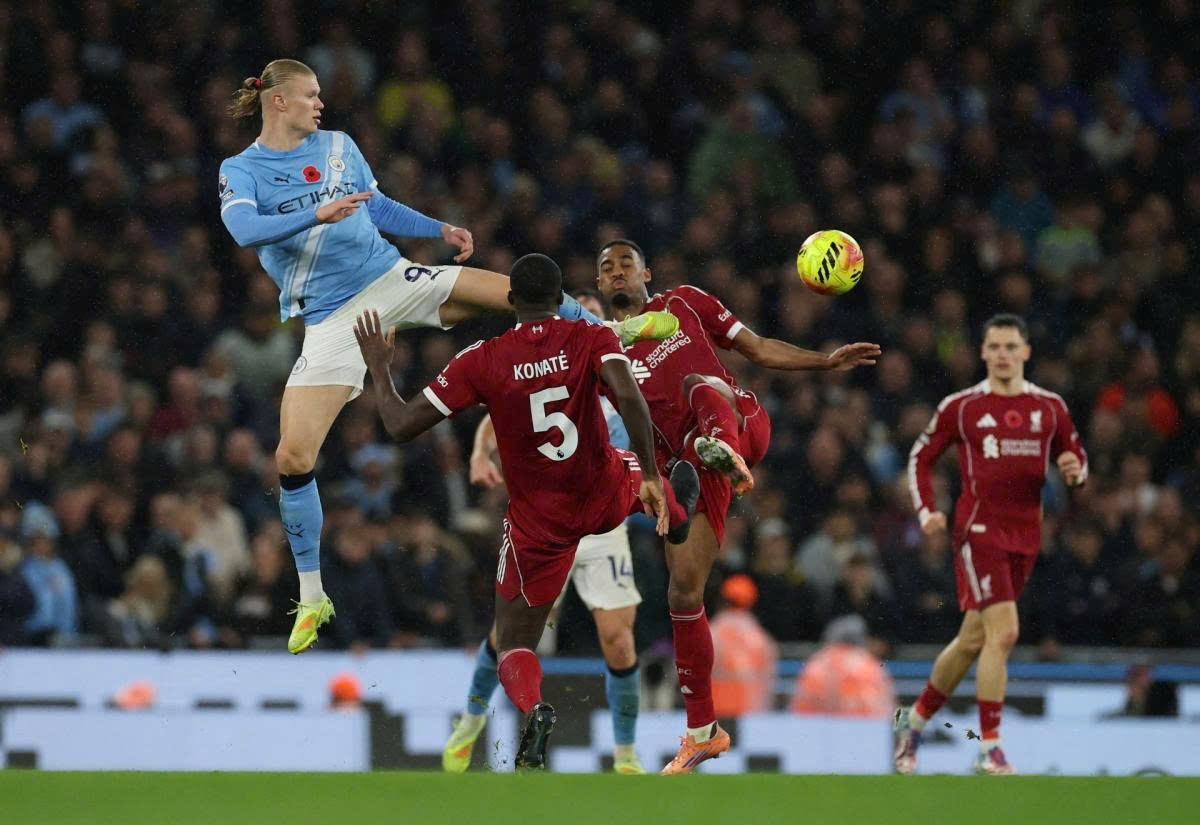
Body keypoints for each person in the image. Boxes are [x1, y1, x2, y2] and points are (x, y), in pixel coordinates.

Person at [217, 60, 679, 654]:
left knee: (519, 291)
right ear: (277, 101)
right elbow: (244, 232)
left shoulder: (337, 146)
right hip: (333, 316)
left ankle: (620, 326)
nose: (320, 103)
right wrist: (316, 213)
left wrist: (440, 228)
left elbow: (376, 207)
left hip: (390, 277)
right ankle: (312, 595)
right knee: (292, 454)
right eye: (311, 95)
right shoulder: (241, 170)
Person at [354, 253, 700, 770]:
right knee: (651, 484)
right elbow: (628, 393)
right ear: (562, 297)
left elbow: (400, 424)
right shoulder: (590, 338)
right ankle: (676, 509)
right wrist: (650, 472)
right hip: (601, 489)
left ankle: (535, 709)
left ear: (511, 301)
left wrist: (380, 367)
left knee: (514, 641)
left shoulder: (484, 358)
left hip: (539, 522)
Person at [594, 239, 881, 773]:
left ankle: (723, 447)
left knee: (699, 383)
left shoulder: (682, 303)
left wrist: (824, 362)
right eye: (605, 267)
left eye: (625, 263)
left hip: (740, 422)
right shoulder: (603, 349)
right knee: (684, 592)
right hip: (686, 469)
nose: (615, 272)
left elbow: (758, 348)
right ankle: (703, 729)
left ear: (647, 271)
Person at [445, 290, 650, 775]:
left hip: (603, 519)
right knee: (508, 635)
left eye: (594, 317)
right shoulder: (559, 367)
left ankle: (625, 755)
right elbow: (505, 415)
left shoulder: (621, 373)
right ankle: (471, 720)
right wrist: (479, 450)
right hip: (548, 521)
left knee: (619, 640)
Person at [898, 313, 1088, 775]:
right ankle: (990, 748)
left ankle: (914, 722)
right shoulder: (963, 407)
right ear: (983, 352)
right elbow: (920, 456)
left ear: (1026, 352)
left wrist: (1075, 473)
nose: (1003, 355)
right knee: (1004, 633)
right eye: (995, 347)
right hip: (978, 530)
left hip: (1026, 534)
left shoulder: (1050, 408)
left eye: (1011, 347)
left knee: (973, 640)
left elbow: (1075, 457)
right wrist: (928, 511)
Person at [790, 614, 895, 718]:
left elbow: (797, 708)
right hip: (863, 729)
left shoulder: (816, 662)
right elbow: (889, 711)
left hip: (817, 727)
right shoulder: (870, 665)